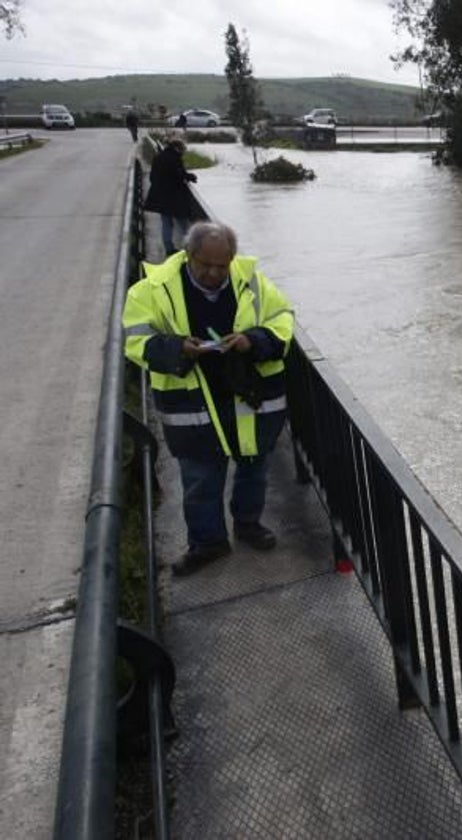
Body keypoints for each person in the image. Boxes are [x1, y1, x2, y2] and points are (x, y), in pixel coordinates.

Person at [123, 221, 295, 577]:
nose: (215, 273)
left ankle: (248, 524)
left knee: (253, 468)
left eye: (223, 265)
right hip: (191, 405)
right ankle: (208, 542)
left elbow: (282, 321)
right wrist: (177, 348)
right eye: (206, 265)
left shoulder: (251, 282)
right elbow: (136, 342)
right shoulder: (151, 290)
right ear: (188, 256)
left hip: (248, 398)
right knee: (200, 477)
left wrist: (253, 340)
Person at [144, 137, 196, 254]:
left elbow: (152, 177)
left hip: (161, 197)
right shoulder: (175, 158)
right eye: (183, 150)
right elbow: (179, 174)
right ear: (178, 148)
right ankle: (191, 247)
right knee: (183, 223)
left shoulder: (158, 157)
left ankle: (169, 248)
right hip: (174, 197)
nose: (183, 152)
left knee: (166, 223)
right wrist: (190, 177)